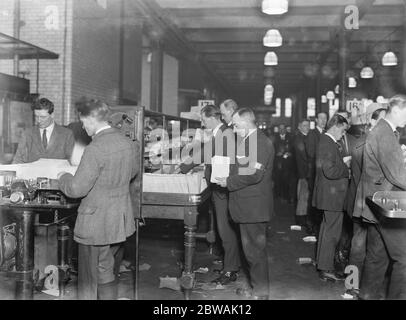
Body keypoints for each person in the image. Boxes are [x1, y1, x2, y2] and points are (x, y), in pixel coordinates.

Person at [57, 98, 139, 300]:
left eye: (83, 122)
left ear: (92, 120)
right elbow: (133, 172)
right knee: (106, 269)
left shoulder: (95, 148)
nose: (83, 128)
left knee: (88, 278)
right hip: (119, 220)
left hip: (95, 223)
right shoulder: (127, 143)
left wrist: (63, 177)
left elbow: (76, 189)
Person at [215, 108, 274, 300]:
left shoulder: (260, 143)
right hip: (247, 206)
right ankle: (257, 288)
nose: (233, 129)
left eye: (237, 125)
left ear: (248, 123)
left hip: (253, 208)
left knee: (254, 253)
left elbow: (254, 174)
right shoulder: (248, 141)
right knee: (251, 253)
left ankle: (261, 293)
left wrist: (228, 182)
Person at [181, 105, 240, 285]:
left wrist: (183, 168)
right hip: (220, 186)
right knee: (224, 229)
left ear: (212, 117)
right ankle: (230, 265)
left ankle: (230, 271)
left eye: (204, 119)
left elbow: (205, 154)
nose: (202, 122)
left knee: (225, 230)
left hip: (222, 189)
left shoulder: (223, 133)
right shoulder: (221, 132)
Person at [356, 95, 406, 300]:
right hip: (386, 205)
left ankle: (366, 296)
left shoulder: (381, 131)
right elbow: (396, 174)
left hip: (375, 204)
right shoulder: (385, 133)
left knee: (377, 257)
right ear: (396, 110)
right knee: (404, 259)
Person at [345, 103, 387, 297]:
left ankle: (351, 285)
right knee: (363, 247)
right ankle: (357, 286)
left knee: (359, 246)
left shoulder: (361, 141)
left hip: (360, 201)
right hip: (366, 203)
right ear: (372, 121)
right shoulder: (369, 144)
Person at [313, 114, 350, 282]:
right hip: (332, 196)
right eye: (342, 131)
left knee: (327, 230)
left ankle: (323, 264)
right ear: (335, 126)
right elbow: (330, 170)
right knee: (332, 232)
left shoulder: (326, 141)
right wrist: (346, 169)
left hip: (329, 195)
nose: (342, 135)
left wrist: (341, 161)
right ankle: (326, 268)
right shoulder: (327, 142)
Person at [13, 97, 75, 164]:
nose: (39, 120)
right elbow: (18, 160)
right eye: (36, 116)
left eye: (43, 117)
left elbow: (72, 162)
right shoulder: (27, 134)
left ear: (52, 115)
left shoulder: (67, 134)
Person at [305, 112, 328, 235]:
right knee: (312, 199)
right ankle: (310, 225)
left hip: (323, 172)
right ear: (316, 120)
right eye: (321, 118)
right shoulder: (312, 134)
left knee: (320, 198)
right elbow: (310, 152)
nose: (323, 121)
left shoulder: (327, 133)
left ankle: (318, 225)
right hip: (314, 172)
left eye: (325, 118)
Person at [293, 119, 311, 229]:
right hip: (303, 172)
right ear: (299, 127)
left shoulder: (304, 138)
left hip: (303, 172)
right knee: (303, 197)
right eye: (304, 125)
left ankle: (301, 218)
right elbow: (304, 158)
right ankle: (301, 219)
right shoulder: (299, 139)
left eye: (308, 125)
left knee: (303, 196)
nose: (307, 127)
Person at [273, 124, 295, 203]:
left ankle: (287, 196)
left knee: (287, 181)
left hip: (288, 164)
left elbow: (294, 149)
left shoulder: (291, 137)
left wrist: (290, 153)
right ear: (278, 129)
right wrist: (276, 153)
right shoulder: (274, 138)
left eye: (283, 128)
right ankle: (277, 196)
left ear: (286, 129)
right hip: (277, 163)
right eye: (280, 128)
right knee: (277, 180)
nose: (282, 130)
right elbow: (272, 149)